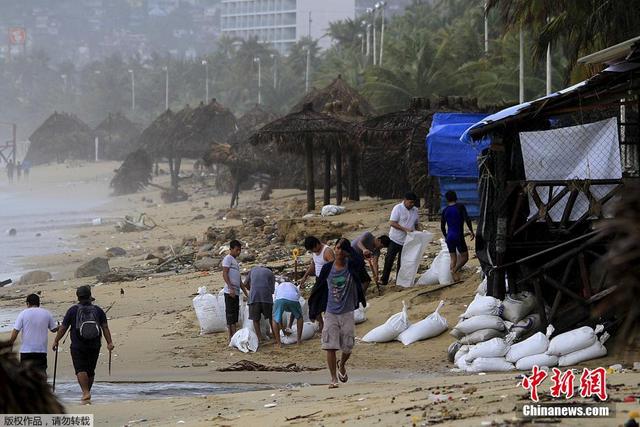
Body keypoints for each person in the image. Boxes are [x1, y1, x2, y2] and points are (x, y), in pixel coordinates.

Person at [316, 238, 366, 388]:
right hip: (330, 312)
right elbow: (318, 288)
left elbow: (362, 267)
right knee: (330, 346)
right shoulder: (327, 268)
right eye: (337, 248)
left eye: (342, 249)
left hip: (347, 311)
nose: (338, 251)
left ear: (346, 252)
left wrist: (349, 250)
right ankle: (333, 379)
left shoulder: (351, 267)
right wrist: (316, 311)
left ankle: (342, 364)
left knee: (347, 346)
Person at [52, 285, 114, 401]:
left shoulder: (72, 310)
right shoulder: (98, 310)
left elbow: (63, 328)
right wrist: (109, 342)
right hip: (95, 344)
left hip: (77, 345)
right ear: (90, 295)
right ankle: (87, 392)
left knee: (80, 368)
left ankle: (85, 392)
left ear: (78, 297)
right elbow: (105, 327)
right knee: (90, 370)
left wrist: (56, 340)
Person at [7, 294, 58, 377]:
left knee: (25, 375)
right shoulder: (46, 313)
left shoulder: (23, 314)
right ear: (39, 303)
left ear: (28, 303)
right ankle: (41, 389)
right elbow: (53, 329)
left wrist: (10, 344)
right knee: (41, 373)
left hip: (26, 351)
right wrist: (59, 327)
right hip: (41, 350)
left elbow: (15, 331)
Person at [380, 192, 420, 287]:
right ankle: (384, 280)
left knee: (402, 263)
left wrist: (420, 231)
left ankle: (399, 281)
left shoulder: (415, 210)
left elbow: (416, 224)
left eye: (413, 202)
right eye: (410, 202)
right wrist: (405, 229)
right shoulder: (397, 208)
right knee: (389, 260)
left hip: (407, 241)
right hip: (395, 239)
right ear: (405, 200)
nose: (412, 204)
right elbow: (392, 223)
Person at [301, 236, 335, 332]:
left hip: (327, 281)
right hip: (318, 280)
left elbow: (333, 266)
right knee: (313, 302)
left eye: (313, 249)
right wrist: (305, 276)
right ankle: (321, 323)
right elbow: (314, 264)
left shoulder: (327, 251)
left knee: (326, 304)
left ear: (317, 244)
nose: (313, 251)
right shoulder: (315, 252)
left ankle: (329, 325)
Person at [441, 190, 475, 281]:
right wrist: (471, 231)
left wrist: (446, 236)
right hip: (458, 236)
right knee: (465, 257)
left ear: (447, 199)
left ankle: (454, 278)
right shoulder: (460, 207)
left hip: (449, 237)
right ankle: (455, 270)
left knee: (453, 259)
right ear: (456, 197)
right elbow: (467, 219)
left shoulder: (445, 210)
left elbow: (442, 227)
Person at [243, 265, 276, 343]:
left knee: (256, 319)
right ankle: (275, 336)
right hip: (266, 298)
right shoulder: (271, 273)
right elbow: (272, 290)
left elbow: (245, 283)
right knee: (271, 317)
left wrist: (251, 289)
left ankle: (259, 338)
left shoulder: (253, 270)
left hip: (254, 298)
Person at [222, 239, 246, 342]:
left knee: (235, 315)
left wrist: (245, 292)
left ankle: (235, 335)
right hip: (230, 292)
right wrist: (230, 287)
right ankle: (231, 336)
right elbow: (225, 273)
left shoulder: (235, 262)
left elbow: (239, 279)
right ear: (231, 249)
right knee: (230, 314)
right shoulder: (228, 259)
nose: (238, 252)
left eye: (240, 250)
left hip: (236, 292)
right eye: (237, 250)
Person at [271, 281, 304, 348]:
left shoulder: (278, 287)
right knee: (299, 317)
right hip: (293, 299)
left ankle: (279, 343)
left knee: (275, 319)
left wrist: (286, 327)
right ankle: (298, 341)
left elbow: (278, 318)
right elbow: (298, 297)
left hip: (280, 299)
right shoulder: (293, 286)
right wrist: (283, 330)